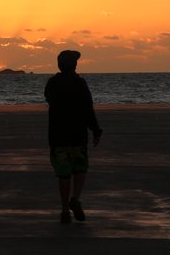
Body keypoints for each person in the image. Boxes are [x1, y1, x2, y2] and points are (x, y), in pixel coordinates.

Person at [45, 50, 103, 224]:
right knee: (80, 169)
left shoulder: (52, 83)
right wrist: (95, 129)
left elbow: (49, 100)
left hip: (58, 135)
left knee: (63, 174)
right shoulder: (80, 83)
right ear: (74, 65)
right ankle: (75, 198)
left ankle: (64, 210)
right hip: (78, 134)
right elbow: (88, 108)